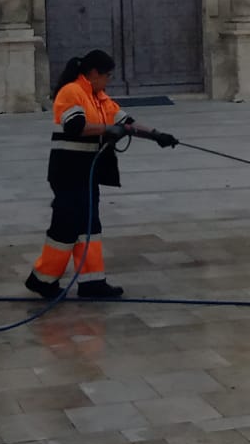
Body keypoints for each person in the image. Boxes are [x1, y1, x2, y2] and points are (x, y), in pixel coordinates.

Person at [24, 49, 178, 301]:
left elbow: (126, 121)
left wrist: (157, 135)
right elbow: (75, 126)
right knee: (66, 226)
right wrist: (109, 129)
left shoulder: (98, 97)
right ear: (93, 73)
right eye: (106, 76)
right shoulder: (71, 92)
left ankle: (92, 283)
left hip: (87, 172)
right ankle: (41, 280)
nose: (108, 80)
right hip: (67, 171)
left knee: (89, 226)